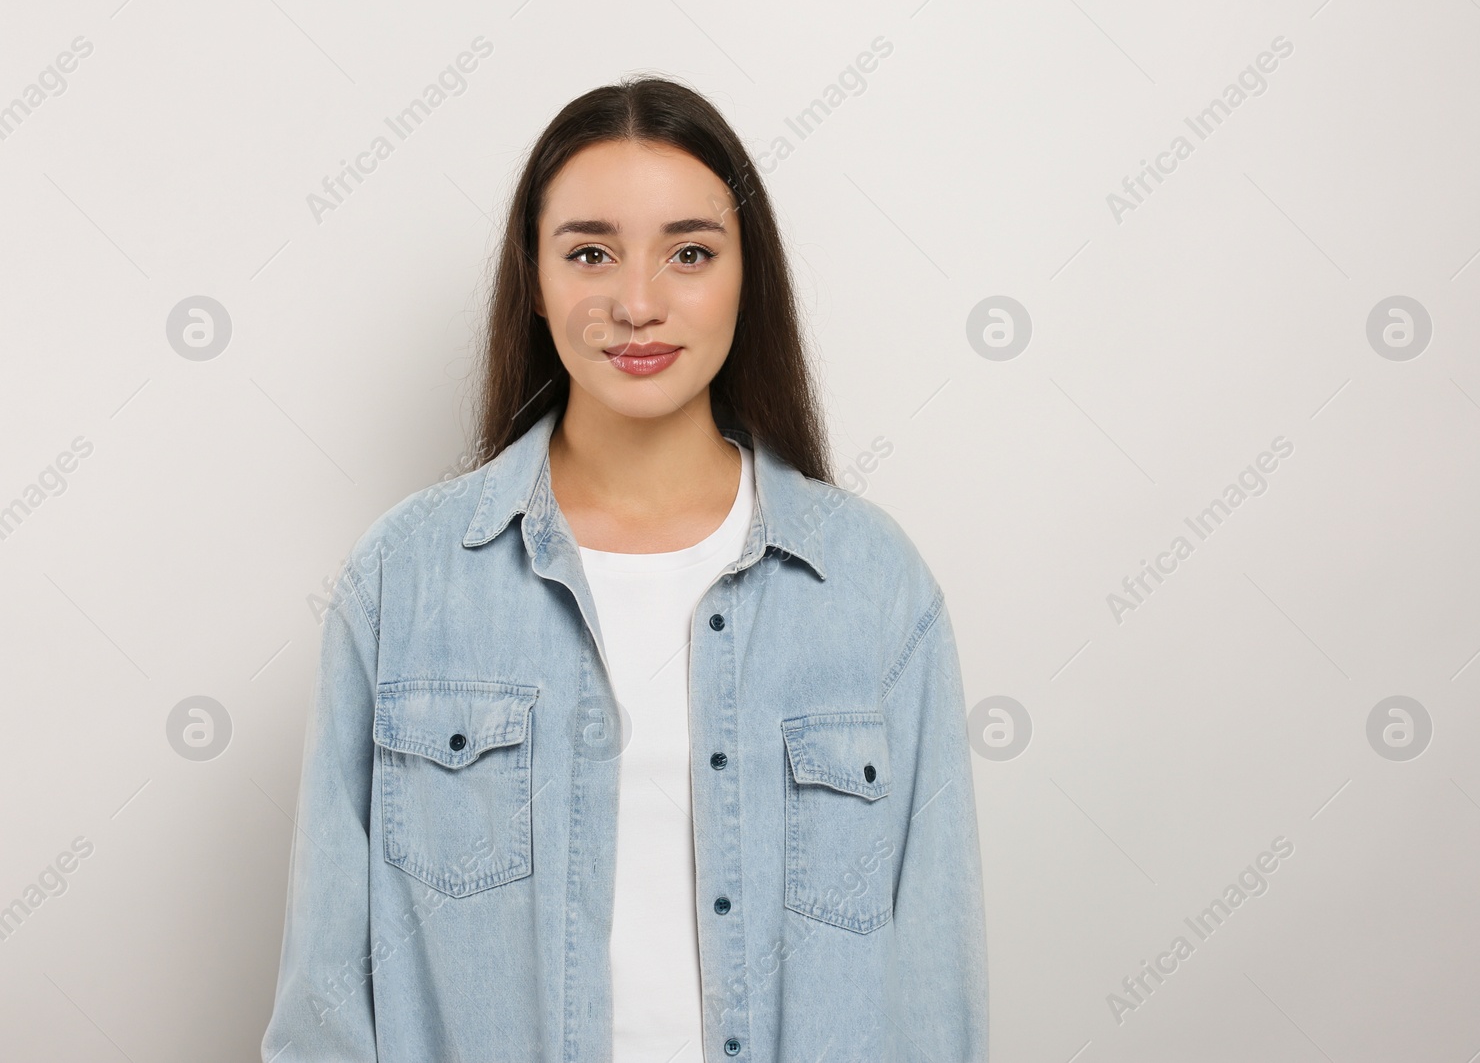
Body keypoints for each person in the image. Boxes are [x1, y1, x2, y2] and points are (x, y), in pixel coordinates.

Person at [261, 73, 987, 1062]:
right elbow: (325, 999)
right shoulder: (404, 580)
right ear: (535, 277)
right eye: (590, 251)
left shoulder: (872, 587)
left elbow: (932, 997)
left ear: (747, 275)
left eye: (689, 251)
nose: (636, 303)